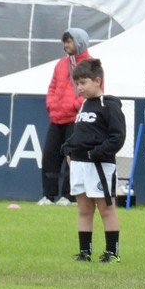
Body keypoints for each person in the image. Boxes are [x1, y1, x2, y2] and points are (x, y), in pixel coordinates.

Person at [64, 58, 126, 263]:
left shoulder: (109, 105)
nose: (79, 88)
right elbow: (79, 135)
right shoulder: (83, 106)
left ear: (98, 81)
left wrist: (96, 153)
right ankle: (84, 252)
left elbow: (117, 137)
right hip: (79, 167)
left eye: (83, 83)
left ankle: (112, 252)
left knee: (106, 209)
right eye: (77, 83)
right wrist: (68, 149)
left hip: (100, 166)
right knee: (83, 210)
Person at [39, 27, 92, 206]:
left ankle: (69, 197)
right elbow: (52, 87)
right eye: (65, 42)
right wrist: (51, 105)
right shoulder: (61, 64)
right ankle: (49, 196)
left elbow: (92, 91)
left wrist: (74, 106)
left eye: (69, 41)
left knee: (73, 158)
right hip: (57, 118)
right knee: (50, 157)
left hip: (76, 119)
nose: (66, 45)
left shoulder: (91, 65)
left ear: (79, 42)